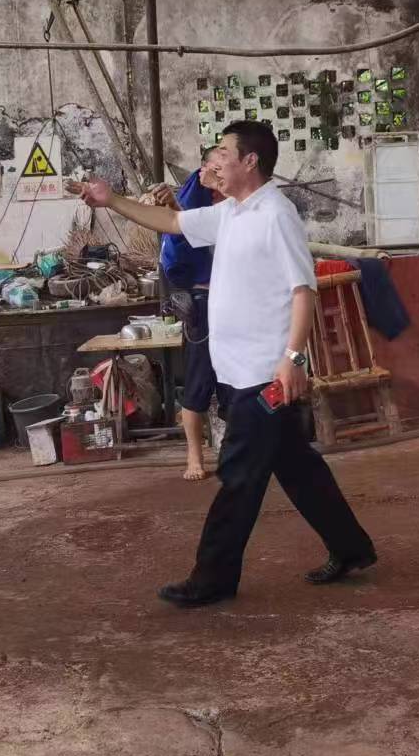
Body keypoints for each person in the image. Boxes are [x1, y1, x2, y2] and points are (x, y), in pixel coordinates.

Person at [71, 121, 376, 608]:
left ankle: (212, 577)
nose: (213, 162)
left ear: (250, 161)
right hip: (236, 370)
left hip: (267, 375)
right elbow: (172, 223)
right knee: (298, 467)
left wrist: (293, 359)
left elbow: (304, 292)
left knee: (237, 476)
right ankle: (351, 548)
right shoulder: (231, 211)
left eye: (222, 153)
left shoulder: (275, 214)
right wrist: (111, 200)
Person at [150, 146, 225, 481]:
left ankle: (233, 448)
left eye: (225, 163)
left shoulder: (243, 205)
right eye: (214, 165)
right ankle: (194, 455)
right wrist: (171, 205)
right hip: (204, 301)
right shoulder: (197, 202)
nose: (218, 171)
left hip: (236, 303)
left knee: (237, 383)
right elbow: (184, 228)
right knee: (197, 383)